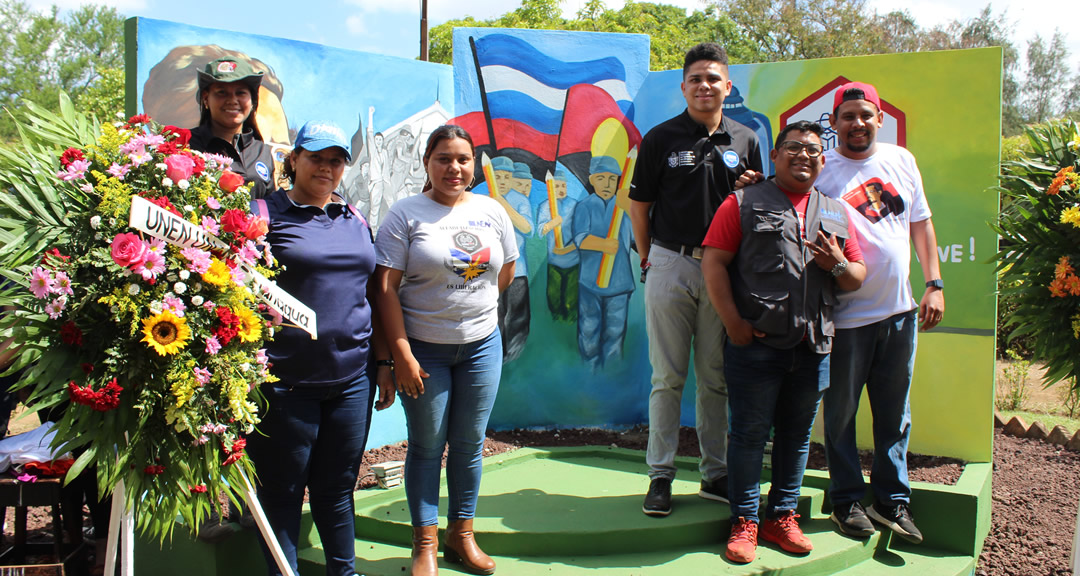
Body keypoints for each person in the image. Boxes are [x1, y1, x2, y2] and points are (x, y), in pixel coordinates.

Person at [701, 120, 866, 563]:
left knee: (795, 439)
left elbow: (855, 276)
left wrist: (836, 266)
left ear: (821, 159)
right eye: (792, 148)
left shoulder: (834, 211)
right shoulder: (744, 201)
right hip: (755, 343)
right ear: (774, 156)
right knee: (749, 434)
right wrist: (732, 321)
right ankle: (745, 521)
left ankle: (782, 517)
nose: (803, 156)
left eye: (812, 150)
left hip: (814, 345)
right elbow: (714, 263)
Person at [245, 120, 393, 576]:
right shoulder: (263, 214)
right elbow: (232, 287)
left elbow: (373, 294)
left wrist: (384, 362)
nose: (326, 168)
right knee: (282, 494)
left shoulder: (355, 218)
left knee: (336, 489)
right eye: (315, 158)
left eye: (336, 160)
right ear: (294, 160)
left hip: (352, 379)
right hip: (285, 382)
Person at [373, 125, 517, 576]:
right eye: (443, 159)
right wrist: (402, 354)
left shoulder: (492, 210)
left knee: (471, 444)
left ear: (473, 164)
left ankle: (462, 534)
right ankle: (425, 545)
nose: (454, 168)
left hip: (481, 348)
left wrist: (471, 310)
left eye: (462, 159)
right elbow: (383, 289)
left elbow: (505, 271)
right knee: (427, 447)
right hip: (424, 352)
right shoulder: (405, 214)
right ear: (427, 164)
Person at [629, 42, 763, 516]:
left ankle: (715, 473)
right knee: (666, 378)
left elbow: (756, 208)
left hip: (722, 271)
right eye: (696, 79)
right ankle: (660, 475)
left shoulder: (746, 139)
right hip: (670, 262)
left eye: (713, 78)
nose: (705, 86)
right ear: (684, 86)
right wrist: (650, 260)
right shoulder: (660, 138)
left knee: (714, 378)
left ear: (728, 85)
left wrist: (749, 190)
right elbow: (639, 207)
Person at [817, 81, 944, 544]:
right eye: (848, 116)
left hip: (900, 312)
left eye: (865, 115)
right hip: (846, 317)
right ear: (834, 123)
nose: (857, 123)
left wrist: (934, 284)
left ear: (879, 119)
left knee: (895, 414)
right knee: (842, 415)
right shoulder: (821, 167)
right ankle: (846, 500)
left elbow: (922, 223)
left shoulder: (901, 160)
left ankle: (892, 502)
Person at [573, 156, 634, 370]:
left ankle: (611, 376)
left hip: (620, 283)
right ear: (592, 180)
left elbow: (639, 239)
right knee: (589, 330)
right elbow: (581, 239)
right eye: (601, 178)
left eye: (612, 179)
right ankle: (589, 374)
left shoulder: (625, 208)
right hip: (591, 282)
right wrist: (603, 244)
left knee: (615, 333)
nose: (607, 184)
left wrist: (632, 211)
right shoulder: (585, 206)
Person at [189, 57, 277, 199]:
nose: (232, 100)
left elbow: (270, 209)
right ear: (206, 98)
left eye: (241, 93)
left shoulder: (261, 152)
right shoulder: (187, 145)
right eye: (221, 92)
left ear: (253, 100)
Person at [491, 159, 533, 363]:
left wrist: (503, 204)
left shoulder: (520, 199)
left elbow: (528, 228)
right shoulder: (482, 199)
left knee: (517, 316)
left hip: (518, 270)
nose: (502, 181)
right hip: (490, 272)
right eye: (497, 176)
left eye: (506, 177)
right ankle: (495, 356)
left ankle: (515, 359)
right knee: (494, 314)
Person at [536, 170, 579, 322]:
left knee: (570, 297)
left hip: (573, 260)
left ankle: (570, 317)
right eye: (556, 186)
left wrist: (569, 248)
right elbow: (540, 231)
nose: (560, 189)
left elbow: (581, 232)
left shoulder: (574, 205)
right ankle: (556, 317)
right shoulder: (545, 206)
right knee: (553, 295)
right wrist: (552, 223)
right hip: (553, 260)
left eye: (563, 186)